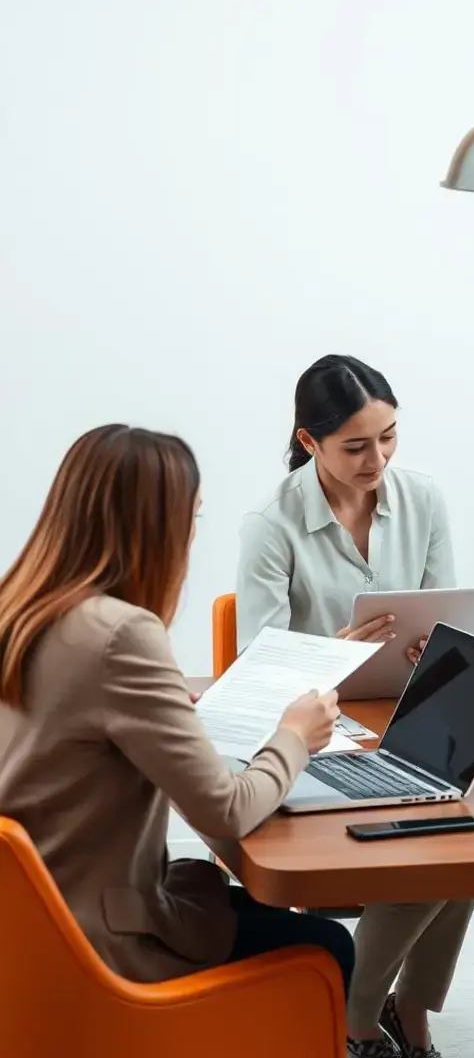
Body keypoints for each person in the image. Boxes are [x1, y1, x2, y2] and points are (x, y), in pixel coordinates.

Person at [0, 425, 357, 1043]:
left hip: (28, 937)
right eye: (190, 518)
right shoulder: (121, 635)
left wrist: (166, 717)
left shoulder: (24, 608)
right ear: (155, 527)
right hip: (95, 946)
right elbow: (227, 811)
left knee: (230, 901)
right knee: (326, 946)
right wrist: (296, 734)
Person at [237, 354, 471, 1058]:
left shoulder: (422, 500)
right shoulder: (271, 525)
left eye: (390, 437)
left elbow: (453, 625)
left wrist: (437, 647)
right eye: (357, 445)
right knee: (434, 845)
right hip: (316, 733)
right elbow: (259, 665)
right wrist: (332, 653)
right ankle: (356, 1018)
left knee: (470, 833)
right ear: (309, 442)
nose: (379, 459)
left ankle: (406, 1011)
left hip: (409, 716)